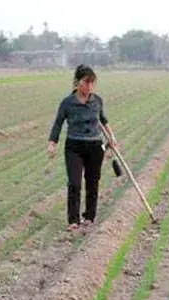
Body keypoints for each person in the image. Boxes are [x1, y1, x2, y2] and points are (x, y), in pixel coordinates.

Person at [47, 64, 118, 231]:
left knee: (93, 182)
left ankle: (89, 217)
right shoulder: (67, 103)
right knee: (74, 183)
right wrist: (52, 143)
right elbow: (58, 124)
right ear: (77, 82)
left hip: (95, 146)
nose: (89, 87)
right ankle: (73, 220)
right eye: (86, 82)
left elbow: (104, 121)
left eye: (92, 83)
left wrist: (112, 139)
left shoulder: (97, 101)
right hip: (74, 146)